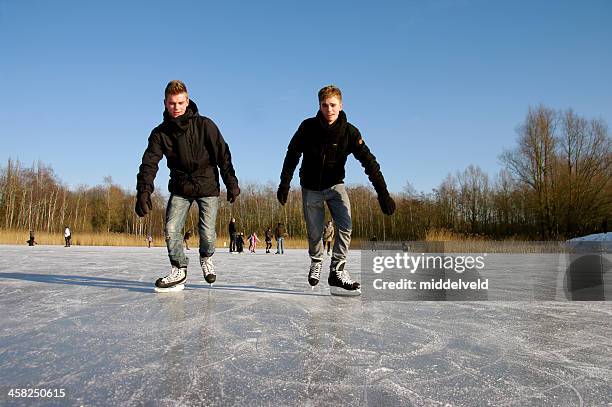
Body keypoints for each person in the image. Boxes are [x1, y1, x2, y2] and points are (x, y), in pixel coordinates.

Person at [277, 85, 395, 295]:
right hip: (311, 186)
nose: (329, 109)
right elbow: (292, 154)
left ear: (340, 106)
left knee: (345, 224)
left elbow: (369, 162)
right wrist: (284, 183)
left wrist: (383, 193)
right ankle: (316, 260)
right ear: (319, 106)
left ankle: (337, 270)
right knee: (314, 231)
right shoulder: (307, 127)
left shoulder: (349, 132)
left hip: (335, 185)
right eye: (325, 105)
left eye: (333, 105)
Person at [135, 80, 240, 292]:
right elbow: (149, 163)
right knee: (171, 228)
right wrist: (144, 191)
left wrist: (231, 182)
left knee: (208, 233)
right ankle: (179, 268)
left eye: (180, 103)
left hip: (207, 185)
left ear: (187, 101)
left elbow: (223, 155)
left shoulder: (205, 125)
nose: (176, 107)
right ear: (165, 103)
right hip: (180, 187)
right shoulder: (160, 133)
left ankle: (206, 257)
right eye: (172, 103)